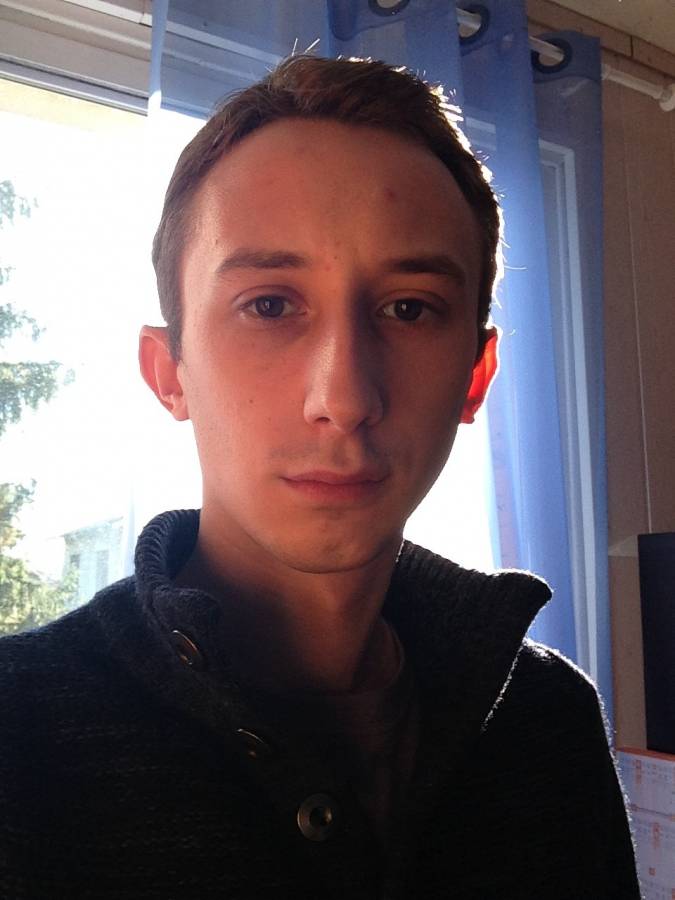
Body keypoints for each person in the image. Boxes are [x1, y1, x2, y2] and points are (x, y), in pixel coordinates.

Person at [0, 55, 640, 899]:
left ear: (474, 378)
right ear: (168, 373)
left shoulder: (549, 717)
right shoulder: (19, 732)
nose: (342, 398)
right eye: (269, 305)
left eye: (408, 309)